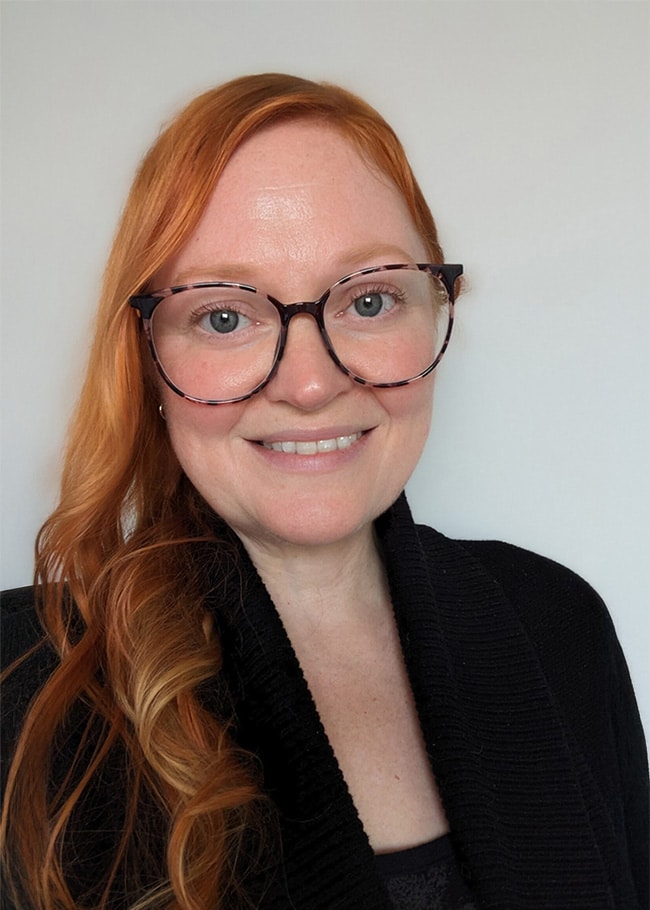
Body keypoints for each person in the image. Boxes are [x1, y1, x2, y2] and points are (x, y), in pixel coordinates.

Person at [0, 73, 647, 910]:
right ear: (146, 354)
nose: (309, 384)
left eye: (370, 300)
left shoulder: (558, 625)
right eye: (225, 316)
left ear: (437, 309)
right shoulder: (21, 685)